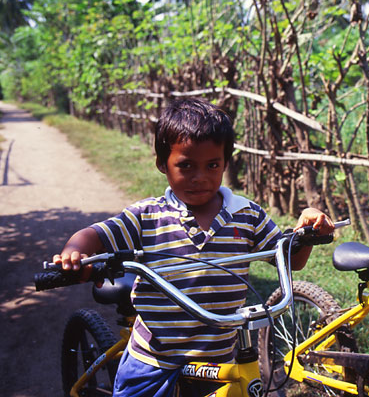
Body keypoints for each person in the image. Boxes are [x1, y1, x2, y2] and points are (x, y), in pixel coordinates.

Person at [53, 97, 335, 396]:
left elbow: (288, 259)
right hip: (155, 358)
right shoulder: (147, 216)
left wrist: (304, 233)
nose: (200, 177)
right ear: (162, 164)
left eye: (212, 165)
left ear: (225, 163)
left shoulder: (246, 214)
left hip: (218, 359)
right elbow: (96, 234)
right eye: (186, 165)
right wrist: (75, 251)